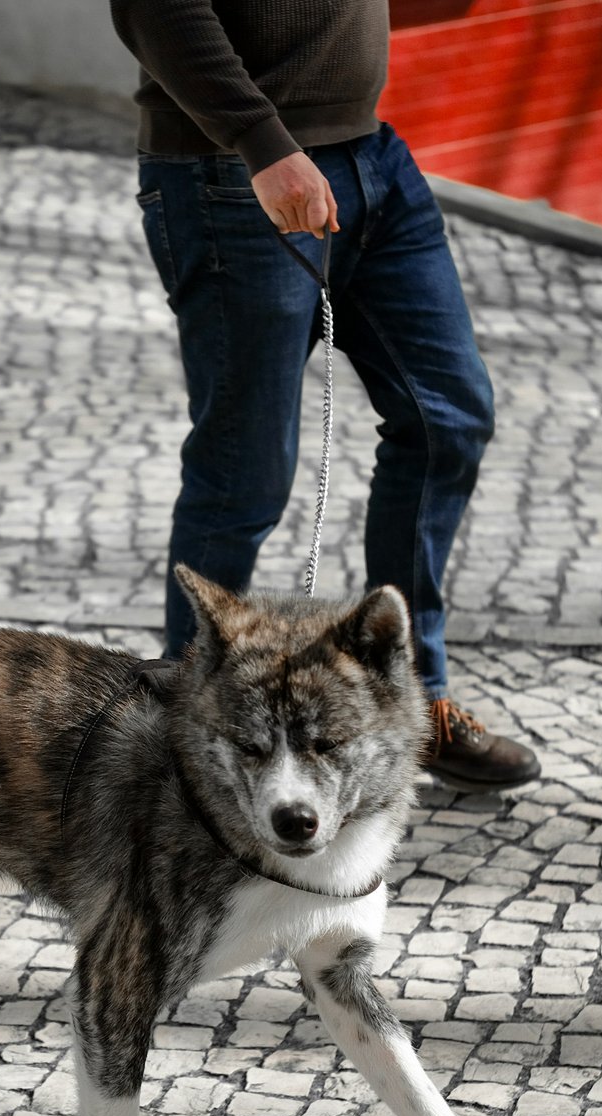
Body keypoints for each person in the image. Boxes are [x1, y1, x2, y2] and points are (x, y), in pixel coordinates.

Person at [110, 0, 539, 792]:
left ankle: (413, 703)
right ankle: (176, 751)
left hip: (371, 154)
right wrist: (262, 143)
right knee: (244, 475)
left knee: (448, 416)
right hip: (233, 171)